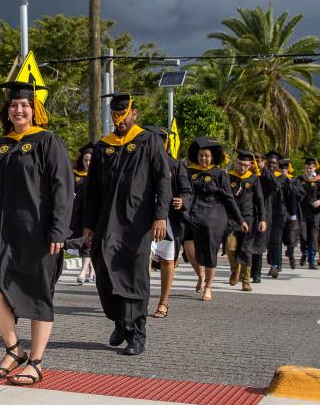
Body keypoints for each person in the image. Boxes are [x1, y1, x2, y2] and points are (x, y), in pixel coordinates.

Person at [0, 82, 73, 385]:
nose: (19, 109)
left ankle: (36, 362)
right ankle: (14, 349)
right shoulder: (0, 144)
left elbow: (62, 188)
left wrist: (58, 230)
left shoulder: (48, 142)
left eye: (24, 105)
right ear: (7, 110)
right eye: (14, 105)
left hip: (36, 233)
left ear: (34, 109)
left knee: (38, 293)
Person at [81, 94, 170, 356]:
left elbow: (163, 181)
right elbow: (92, 189)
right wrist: (88, 224)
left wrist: (160, 215)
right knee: (104, 271)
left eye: (123, 114)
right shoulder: (103, 147)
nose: (118, 119)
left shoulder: (148, 141)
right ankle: (120, 321)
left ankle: (137, 333)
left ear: (134, 113)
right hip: (106, 221)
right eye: (114, 115)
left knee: (133, 275)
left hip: (137, 222)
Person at [182, 138, 245, 302]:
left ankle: (208, 287)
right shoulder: (189, 172)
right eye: (201, 155)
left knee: (210, 252)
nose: (204, 159)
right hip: (192, 214)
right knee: (188, 247)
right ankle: (200, 274)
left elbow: (229, 198)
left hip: (213, 215)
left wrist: (240, 219)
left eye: (207, 156)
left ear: (213, 157)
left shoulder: (219, 174)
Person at [146, 125, 191, 319]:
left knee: (166, 261)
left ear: (165, 143)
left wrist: (183, 201)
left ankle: (163, 302)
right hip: (143, 220)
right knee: (143, 259)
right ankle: (141, 300)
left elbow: (187, 190)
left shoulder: (176, 165)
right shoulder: (140, 164)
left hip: (169, 220)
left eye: (161, 141)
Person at [226, 149, 265, 292]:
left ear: (250, 166)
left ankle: (246, 281)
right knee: (230, 247)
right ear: (235, 163)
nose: (242, 168)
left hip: (249, 219)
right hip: (232, 219)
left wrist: (263, 219)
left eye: (245, 165)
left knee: (246, 250)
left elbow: (260, 200)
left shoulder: (254, 179)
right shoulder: (228, 177)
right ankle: (235, 269)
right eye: (240, 164)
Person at [263, 151, 296, 278]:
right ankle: (271, 263)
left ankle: (275, 266)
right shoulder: (262, 176)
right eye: (269, 162)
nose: (271, 165)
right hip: (265, 213)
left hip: (279, 214)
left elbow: (291, 198)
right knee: (266, 241)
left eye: (274, 163)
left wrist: (293, 216)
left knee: (275, 240)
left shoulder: (283, 179)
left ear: (278, 164)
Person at [296, 158, 320, 269]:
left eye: (311, 167)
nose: (309, 169)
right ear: (305, 168)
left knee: (313, 236)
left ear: (315, 167)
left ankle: (311, 260)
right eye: (307, 167)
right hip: (303, 212)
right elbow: (296, 192)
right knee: (303, 236)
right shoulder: (300, 179)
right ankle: (304, 252)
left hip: (315, 213)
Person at [71, 144, 96, 284]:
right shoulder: (76, 175)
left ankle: (84, 271)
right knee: (85, 242)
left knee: (88, 242)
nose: (87, 163)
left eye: (90, 160)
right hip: (78, 213)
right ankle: (90, 271)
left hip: (92, 213)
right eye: (85, 160)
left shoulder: (98, 176)